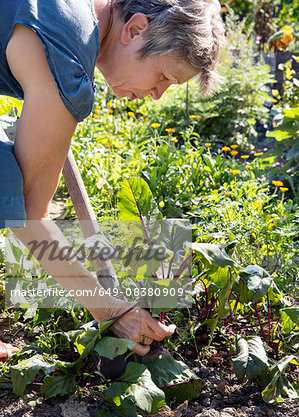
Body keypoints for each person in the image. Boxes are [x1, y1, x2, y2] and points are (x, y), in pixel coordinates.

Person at [0, 0, 225, 361]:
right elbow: (29, 213)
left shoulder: (69, 12)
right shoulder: (69, 55)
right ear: (135, 30)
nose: (156, 95)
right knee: (5, 177)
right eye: (164, 77)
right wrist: (108, 309)